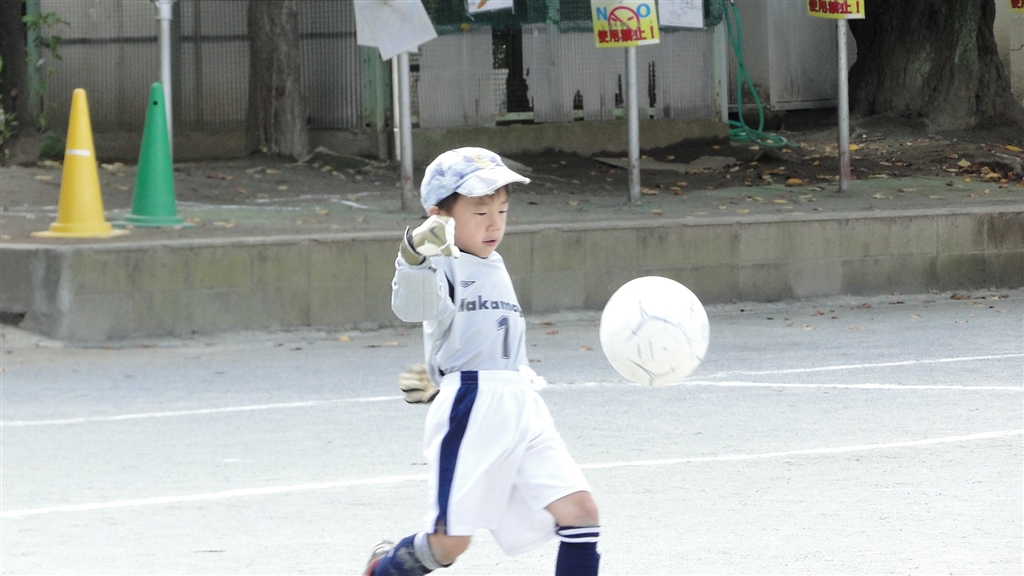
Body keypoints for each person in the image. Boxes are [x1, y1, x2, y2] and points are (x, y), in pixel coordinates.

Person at [364, 147, 600, 576]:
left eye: (502, 211)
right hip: (473, 404)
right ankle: (384, 569)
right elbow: (414, 307)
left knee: (580, 513)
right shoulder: (440, 263)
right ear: (439, 216)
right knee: (449, 543)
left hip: (522, 404)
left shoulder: (494, 263)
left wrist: (446, 378)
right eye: (479, 212)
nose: (494, 224)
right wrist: (414, 254)